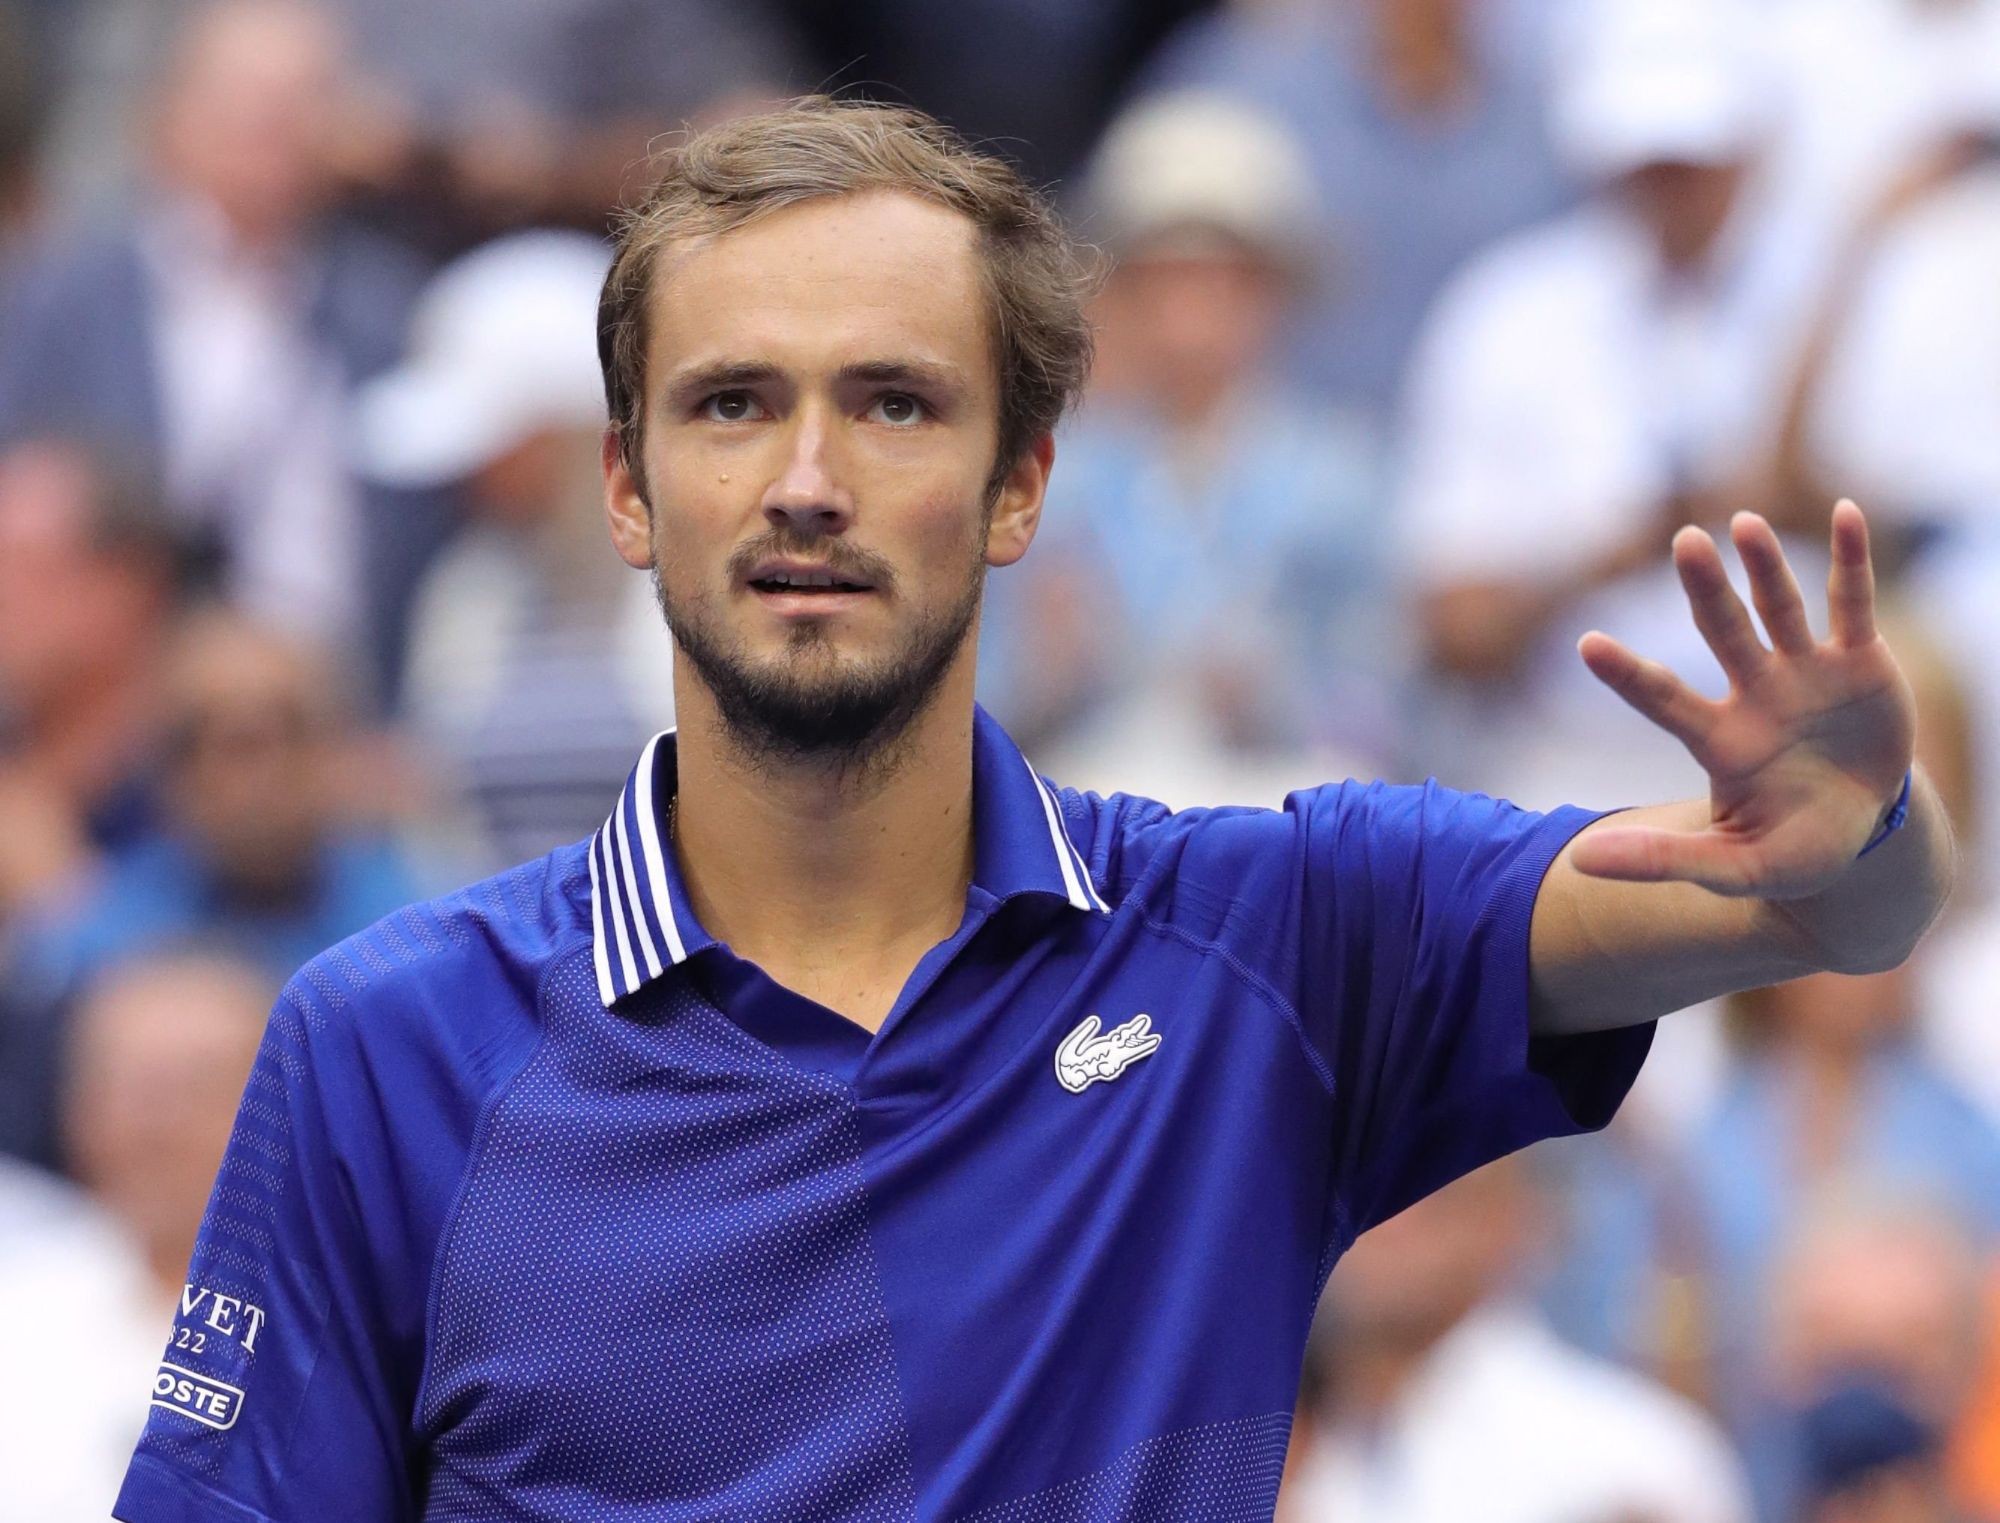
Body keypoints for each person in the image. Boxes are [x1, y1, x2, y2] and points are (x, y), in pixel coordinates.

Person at [113, 97, 1950, 1522]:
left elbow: (1819, 907)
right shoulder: (383, 1046)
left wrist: (1850, 831)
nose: (809, 480)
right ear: (626, 484)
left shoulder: (1278, 938)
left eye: (895, 405)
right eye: (733, 402)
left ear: (1020, 485)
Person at [1279, 1157, 1751, 1523]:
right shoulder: (1278, 1450)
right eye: (1352, 1194)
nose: (1379, 1228)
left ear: (1510, 1218)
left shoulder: (1630, 1461)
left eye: (1422, 1199)